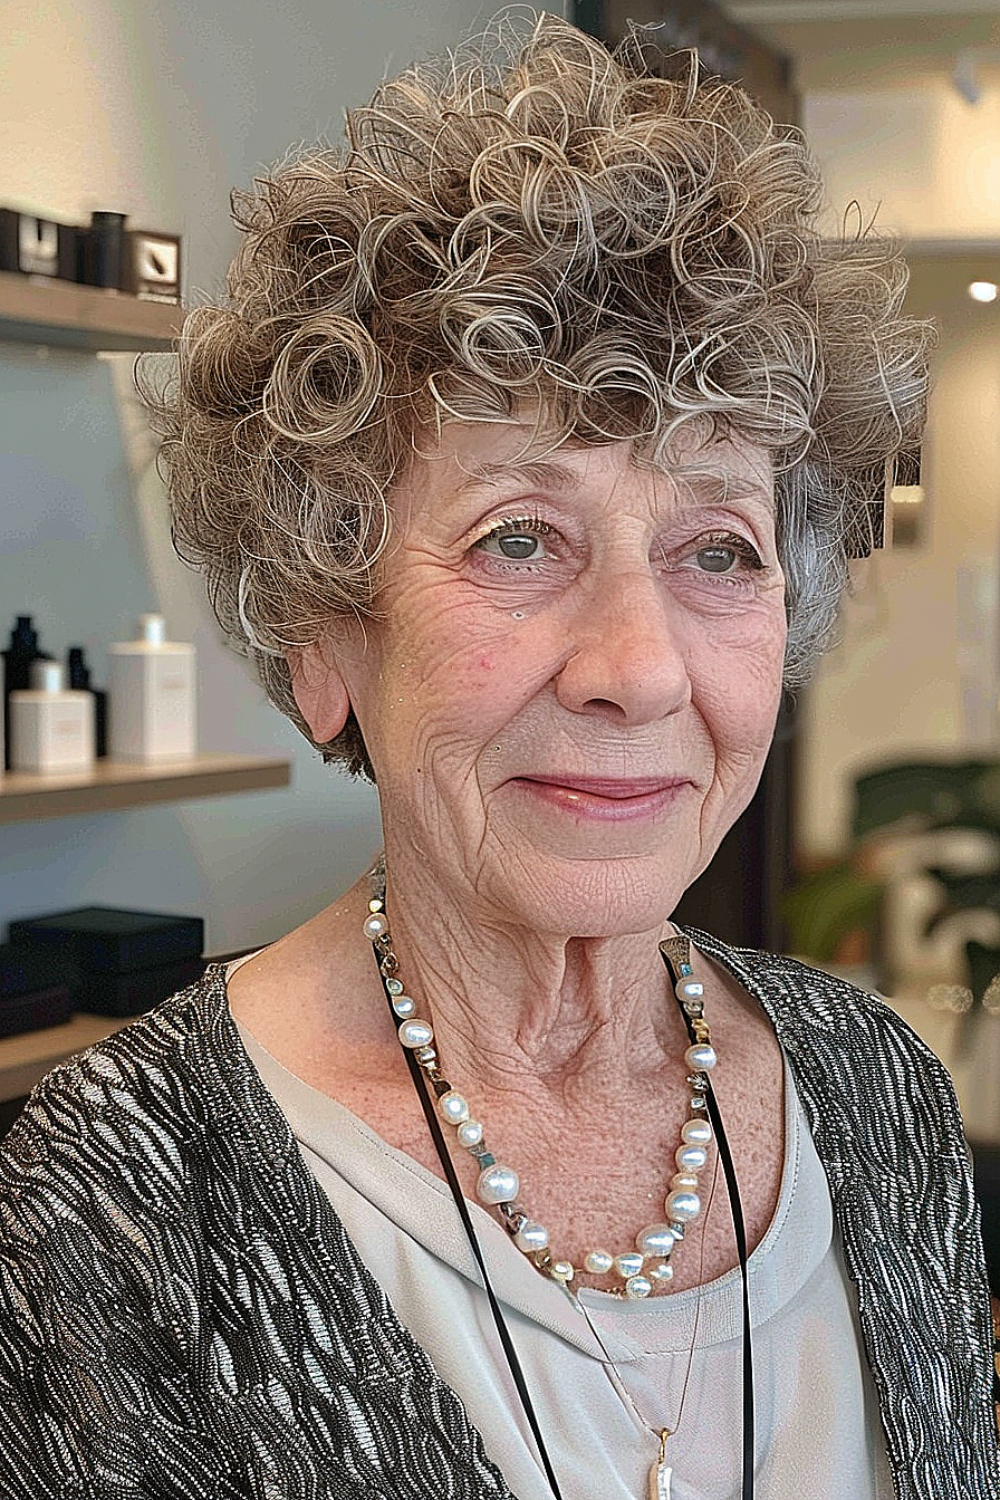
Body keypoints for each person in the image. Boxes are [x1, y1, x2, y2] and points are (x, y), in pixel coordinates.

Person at [0, 12, 996, 1499]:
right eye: (519, 538)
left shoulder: (881, 1094)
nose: (638, 668)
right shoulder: (119, 1204)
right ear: (326, 636)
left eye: (720, 550)